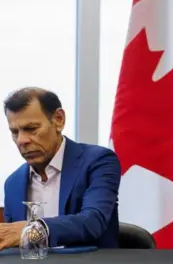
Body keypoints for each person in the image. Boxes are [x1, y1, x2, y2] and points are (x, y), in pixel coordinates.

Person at [1, 87, 120, 249]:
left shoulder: (98, 161)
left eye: (31, 129)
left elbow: (93, 221)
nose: (21, 140)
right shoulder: (13, 183)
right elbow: (13, 244)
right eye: (15, 132)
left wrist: (34, 229)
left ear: (58, 120)